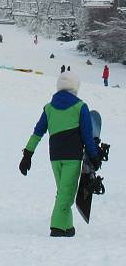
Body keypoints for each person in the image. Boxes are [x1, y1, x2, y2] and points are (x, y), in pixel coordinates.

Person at [19, 71, 101, 237]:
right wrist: (94, 155)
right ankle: (56, 228)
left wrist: (27, 154)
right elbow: (87, 135)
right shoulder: (80, 107)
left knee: (63, 192)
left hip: (55, 157)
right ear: (76, 87)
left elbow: (38, 132)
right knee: (67, 194)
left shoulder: (49, 108)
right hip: (72, 157)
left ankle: (67, 228)